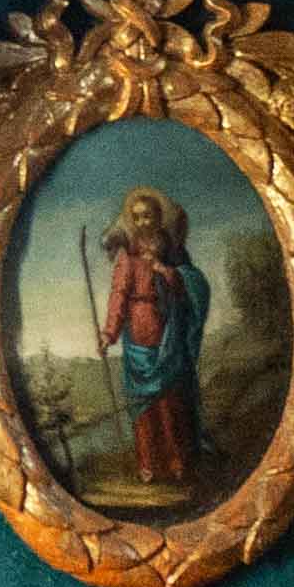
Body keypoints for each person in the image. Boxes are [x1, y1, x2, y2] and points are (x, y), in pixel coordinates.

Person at [93, 189, 208, 499]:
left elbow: (189, 285)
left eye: (149, 215)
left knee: (171, 399)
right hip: (139, 329)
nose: (143, 221)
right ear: (131, 221)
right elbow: (118, 295)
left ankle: (178, 462)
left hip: (169, 331)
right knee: (144, 406)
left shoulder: (173, 252)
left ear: (159, 218)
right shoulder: (126, 256)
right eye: (137, 217)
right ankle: (149, 465)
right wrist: (108, 333)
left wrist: (165, 272)